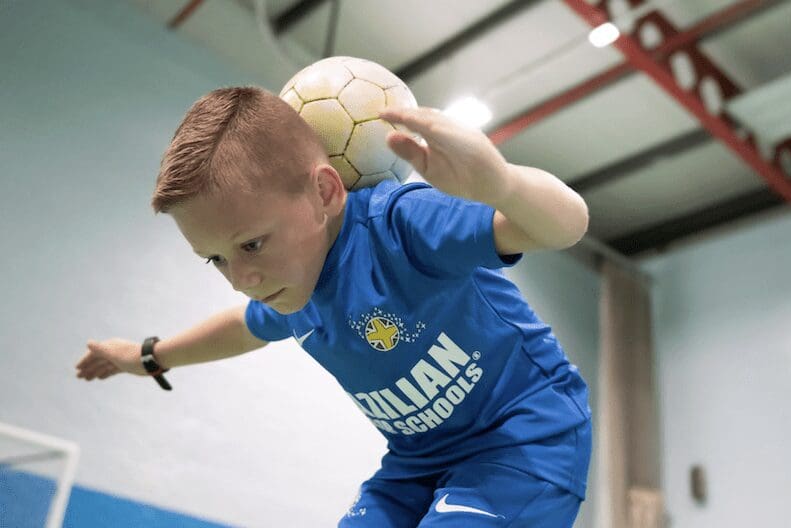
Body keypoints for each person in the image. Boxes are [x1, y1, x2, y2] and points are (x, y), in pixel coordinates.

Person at [75, 86, 592, 527]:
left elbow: (566, 225)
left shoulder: (400, 225)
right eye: (216, 260)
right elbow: (241, 328)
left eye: (251, 244)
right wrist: (149, 356)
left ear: (324, 192)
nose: (241, 281)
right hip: (414, 465)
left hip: (525, 435)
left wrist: (502, 185)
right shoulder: (289, 289)